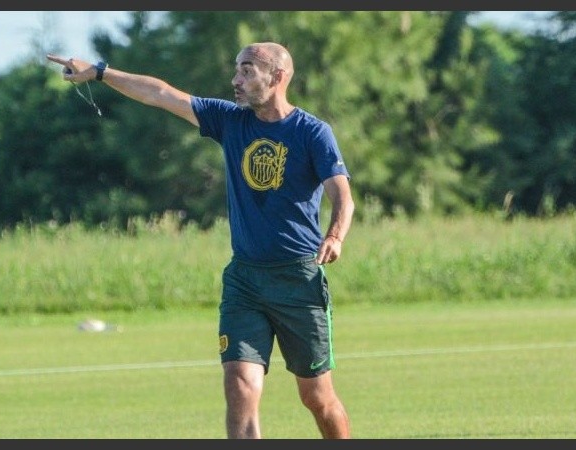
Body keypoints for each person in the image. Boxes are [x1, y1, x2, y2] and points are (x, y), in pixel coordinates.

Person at [47, 41, 354, 439]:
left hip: (298, 279)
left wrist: (335, 236)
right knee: (240, 386)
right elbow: (161, 93)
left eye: (246, 70)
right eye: (236, 70)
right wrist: (101, 72)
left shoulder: (312, 132)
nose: (235, 80)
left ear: (277, 77)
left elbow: (342, 195)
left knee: (317, 397)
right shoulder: (229, 120)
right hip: (244, 280)